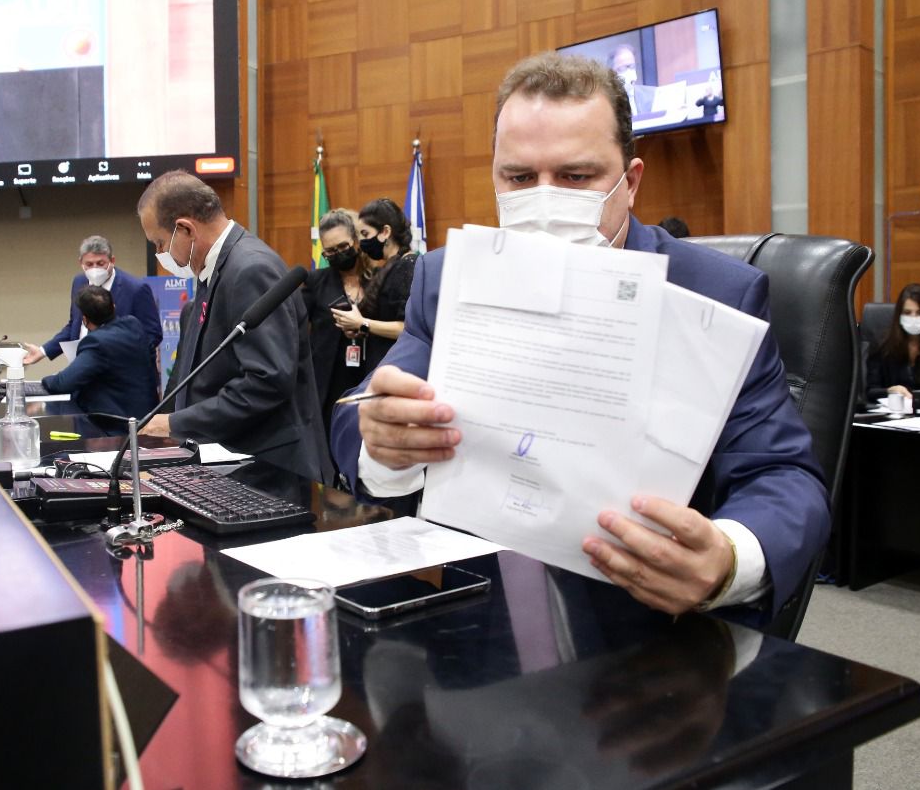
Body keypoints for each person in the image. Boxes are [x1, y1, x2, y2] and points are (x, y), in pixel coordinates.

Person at [331, 52, 828, 626]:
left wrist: (727, 558)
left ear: (630, 182)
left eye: (576, 177)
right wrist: (382, 439)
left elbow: (785, 477)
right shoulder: (448, 277)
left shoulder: (719, 293)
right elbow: (358, 409)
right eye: (520, 178)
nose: (545, 200)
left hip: (643, 619)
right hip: (476, 598)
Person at [136, 170, 328, 482]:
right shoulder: (214, 270)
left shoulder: (250, 269)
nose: (160, 254)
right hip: (231, 463)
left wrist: (176, 423)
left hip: (271, 471)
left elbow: (267, 381)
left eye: (159, 243)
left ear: (185, 229)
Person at [22, 235, 163, 403]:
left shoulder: (136, 289)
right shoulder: (79, 282)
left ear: (112, 260)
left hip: (125, 384)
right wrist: (43, 351)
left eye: (100, 263)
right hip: (87, 379)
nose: (95, 269)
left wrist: (119, 354)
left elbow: (153, 333)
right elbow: (74, 324)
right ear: (80, 263)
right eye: (89, 264)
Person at [39, 286, 158, 428]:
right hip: (147, 418)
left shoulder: (97, 343)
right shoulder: (133, 324)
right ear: (113, 307)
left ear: (85, 320)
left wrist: (44, 382)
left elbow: (63, 383)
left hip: (117, 426)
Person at [303, 209, 372, 443]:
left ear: (355, 241)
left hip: (370, 371)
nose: (338, 254)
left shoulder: (377, 277)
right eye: (330, 251)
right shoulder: (315, 281)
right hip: (329, 379)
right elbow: (296, 325)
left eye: (343, 246)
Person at [331, 198, 417, 371]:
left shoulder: (407, 265)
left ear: (385, 232)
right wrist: (359, 328)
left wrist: (362, 323)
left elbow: (406, 328)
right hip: (382, 364)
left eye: (365, 234)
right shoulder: (390, 267)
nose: (362, 243)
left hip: (397, 368)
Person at [608, 43, 655, 116]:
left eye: (632, 66)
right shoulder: (607, 103)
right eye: (622, 68)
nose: (629, 72)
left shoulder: (652, 95)